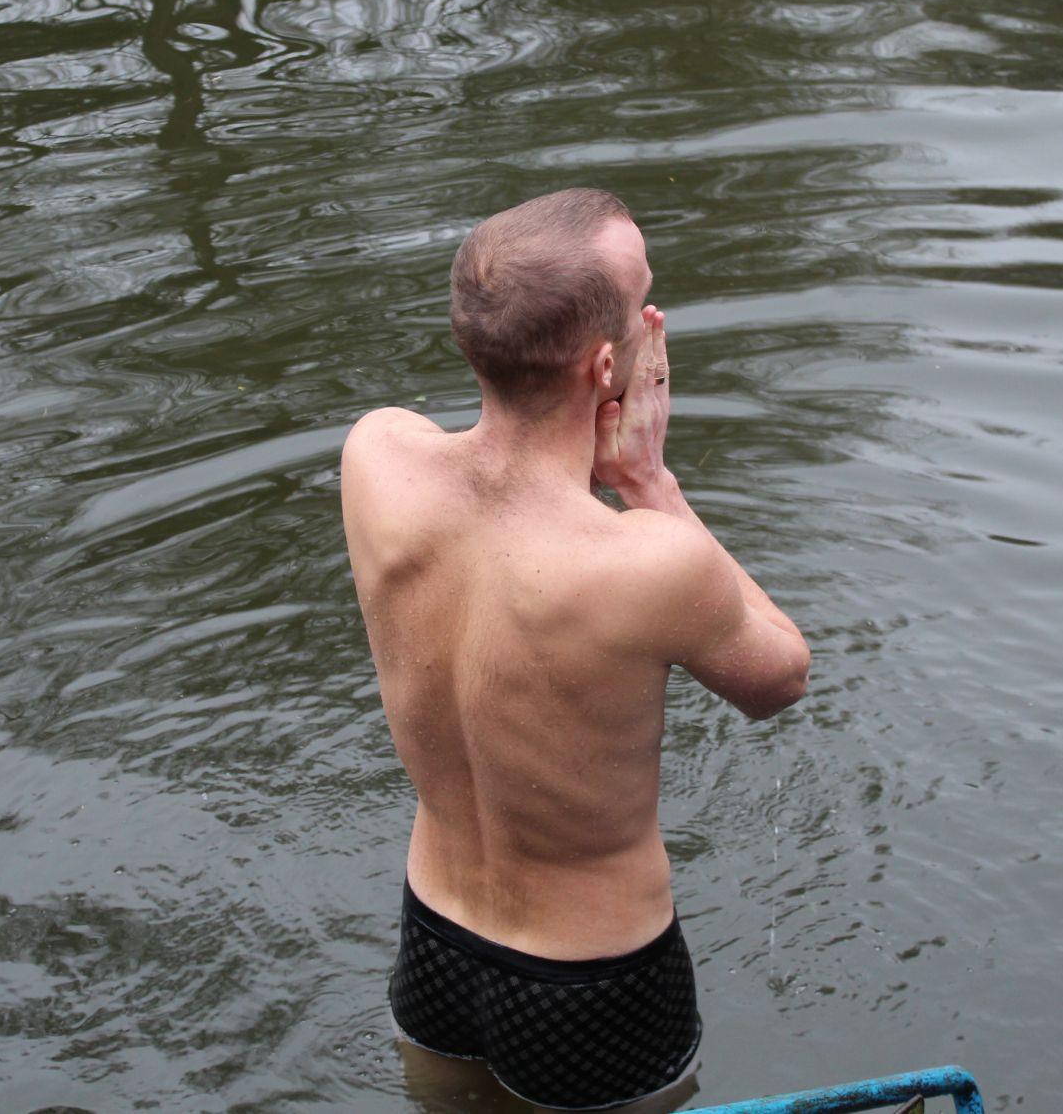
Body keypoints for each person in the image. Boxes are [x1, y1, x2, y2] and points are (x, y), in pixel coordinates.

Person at [340, 187, 812, 1110]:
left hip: (433, 942)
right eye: (645, 302)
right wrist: (648, 480)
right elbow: (780, 677)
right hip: (591, 983)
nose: (657, 319)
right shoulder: (647, 562)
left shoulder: (377, 457)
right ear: (606, 367)